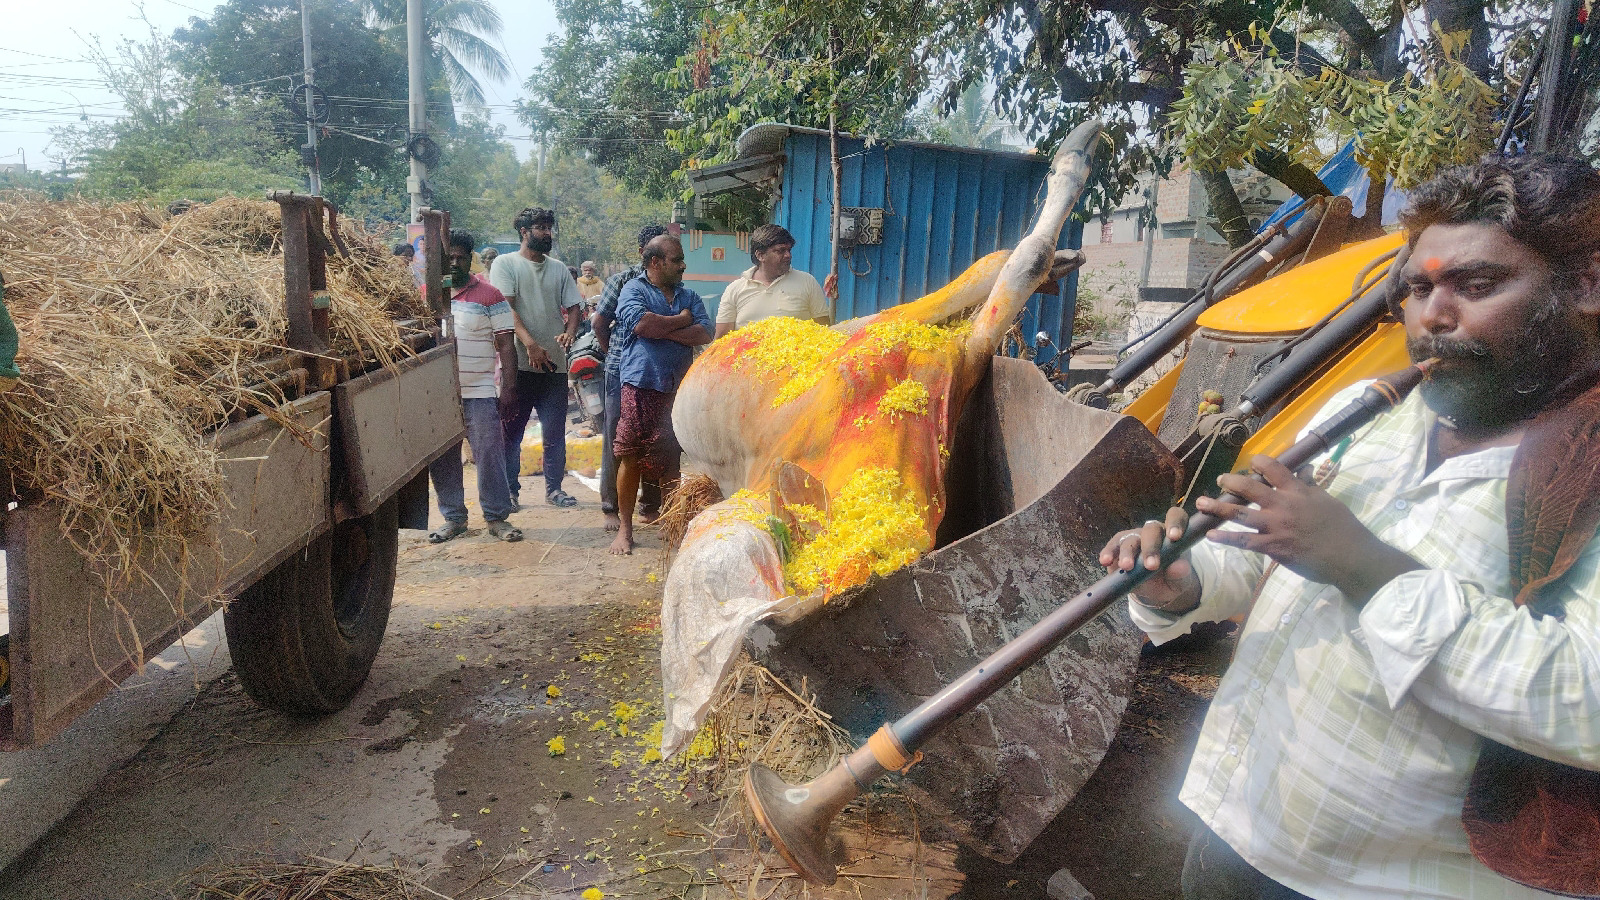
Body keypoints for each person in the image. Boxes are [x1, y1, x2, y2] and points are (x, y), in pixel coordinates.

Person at [1104, 154, 1600, 900]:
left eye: (1476, 286)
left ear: (1586, 285)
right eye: (1418, 289)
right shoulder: (1368, 412)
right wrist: (1185, 583)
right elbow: (1263, 556)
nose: (1433, 318)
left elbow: (1587, 703)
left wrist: (1364, 567)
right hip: (1233, 824)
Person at [608, 234, 712, 555]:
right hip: (640, 386)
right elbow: (643, 326)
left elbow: (705, 332)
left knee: (670, 458)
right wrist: (681, 321)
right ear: (655, 262)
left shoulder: (689, 295)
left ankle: (671, 525)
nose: (683, 266)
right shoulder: (633, 289)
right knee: (631, 457)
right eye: (676, 260)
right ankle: (625, 529)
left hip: (678, 389)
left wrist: (663, 328)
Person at [426, 229, 522, 544]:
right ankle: (454, 519)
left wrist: (508, 388)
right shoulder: (428, 294)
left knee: (489, 454)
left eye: (460, 257)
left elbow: (506, 345)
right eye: (449, 258)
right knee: (443, 459)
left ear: (470, 259)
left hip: (479, 391)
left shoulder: (490, 295)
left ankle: (496, 518)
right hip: (439, 396)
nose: (455, 262)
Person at [490, 207, 585, 509]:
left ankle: (554, 490)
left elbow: (574, 307)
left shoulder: (558, 268)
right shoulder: (505, 264)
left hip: (554, 366)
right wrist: (530, 344)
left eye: (548, 227)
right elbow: (506, 309)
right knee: (512, 432)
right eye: (541, 227)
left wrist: (569, 332)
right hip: (518, 366)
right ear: (524, 231)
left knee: (554, 431)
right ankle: (510, 491)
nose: (547, 233)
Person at [594, 225, 668, 532]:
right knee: (618, 440)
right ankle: (610, 507)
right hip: (621, 373)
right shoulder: (622, 281)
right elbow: (599, 324)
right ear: (643, 253)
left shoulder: (671, 284)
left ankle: (649, 504)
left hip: (656, 375)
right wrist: (617, 355)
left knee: (654, 438)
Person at [713, 223, 838, 338]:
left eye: (789, 250)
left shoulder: (807, 282)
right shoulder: (735, 289)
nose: (788, 255)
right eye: (780, 251)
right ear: (760, 255)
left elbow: (824, 332)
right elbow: (721, 339)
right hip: (748, 355)